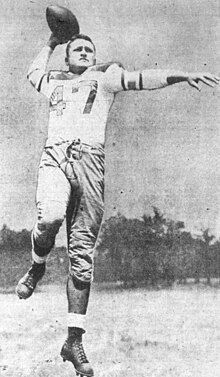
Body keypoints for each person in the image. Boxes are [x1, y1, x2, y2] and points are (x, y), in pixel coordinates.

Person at [16, 32, 219, 377]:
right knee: (48, 216)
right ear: (66, 59)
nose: (83, 52)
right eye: (76, 49)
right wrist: (51, 42)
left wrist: (180, 75)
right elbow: (33, 72)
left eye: (89, 50)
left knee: (82, 255)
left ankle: (74, 340)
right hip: (55, 157)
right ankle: (37, 266)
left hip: (91, 163)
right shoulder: (54, 82)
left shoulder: (104, 79)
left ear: (94, 59)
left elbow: (142, 79)